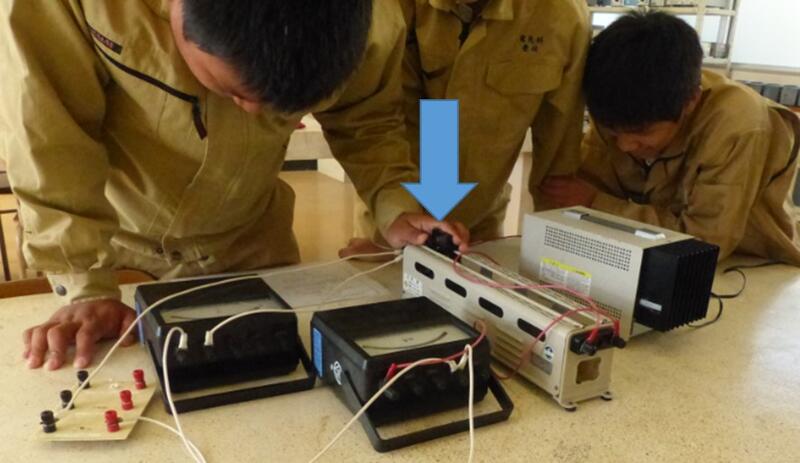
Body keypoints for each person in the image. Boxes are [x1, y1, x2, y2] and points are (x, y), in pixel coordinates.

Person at [0, 0, 468, 370]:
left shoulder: (373, 18)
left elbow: (368, 120)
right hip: (117, 254)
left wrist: (394, 203)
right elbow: (49, 137)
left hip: (253, 244)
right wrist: (84, 284)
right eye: (233, 91)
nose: (255, 114)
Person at [541, 11, 800, 264]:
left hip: (752, 263)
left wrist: (596, 202)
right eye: (612, 131)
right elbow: (588, 191)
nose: (624, 145)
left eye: (642, 133)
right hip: (656, 255)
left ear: (691, 101)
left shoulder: (737, 125)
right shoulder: (618, 109)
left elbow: (704, 242)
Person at [340, 0, 591, 257]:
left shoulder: (562, 17)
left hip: (478, 226)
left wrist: (555, 259)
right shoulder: (387, 8)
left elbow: (559, 162)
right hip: (392, 220)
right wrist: (393, 215)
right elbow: (368, 121)